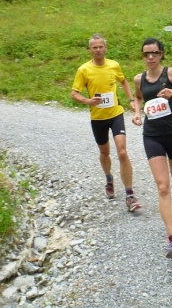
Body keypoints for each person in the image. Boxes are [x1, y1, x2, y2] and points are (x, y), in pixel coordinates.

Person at [132, 38, 172, 258]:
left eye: (154, 53)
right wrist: (137, 112)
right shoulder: (139, 79)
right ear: (142, 56)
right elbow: (138, 98)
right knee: (162, 187)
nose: (150, 57)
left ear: (161, 54)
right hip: (152, 136)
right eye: (146, 54)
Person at [71, 33, 141, 212]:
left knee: (122, 152)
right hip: (98, 118)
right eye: (94, 47)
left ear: (105, 48)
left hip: (116, 114)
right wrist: (88, 101)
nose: (98, 50)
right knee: (104, 152)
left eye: (100, 46)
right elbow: (74, 93)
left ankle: (130, 195)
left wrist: (131, 99)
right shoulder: (84, 70)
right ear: (90, 50)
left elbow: (123, 81)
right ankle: (109, 179)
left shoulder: (113, 65)